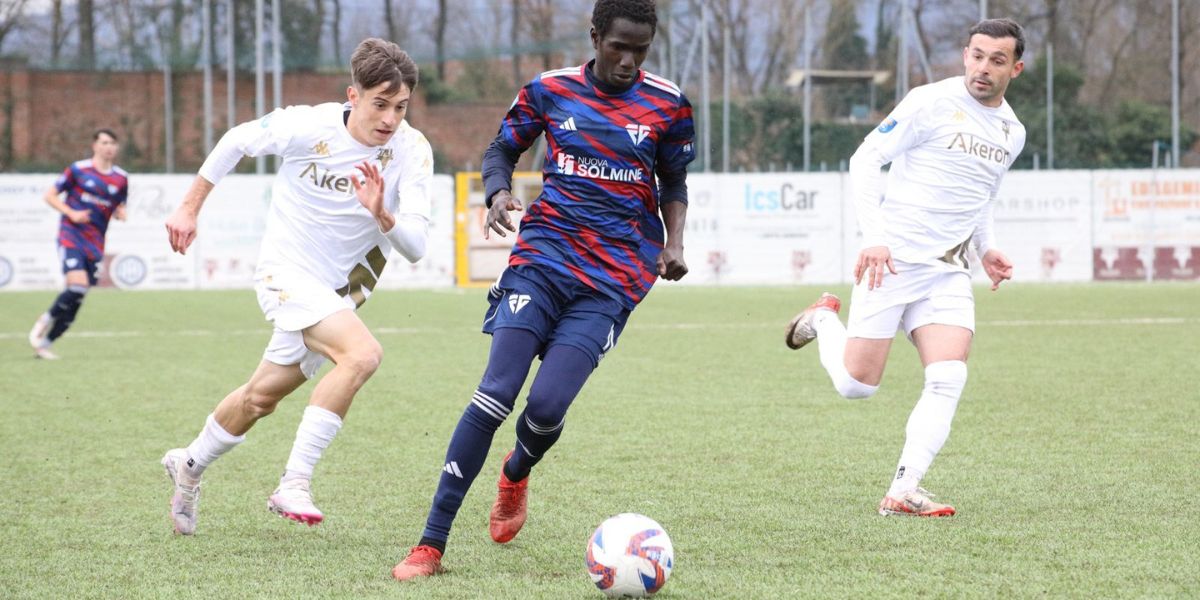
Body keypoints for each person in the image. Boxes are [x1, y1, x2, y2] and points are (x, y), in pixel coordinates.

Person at [392, 0, 694, 580]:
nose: (628, 61)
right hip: (542, 260)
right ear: (595, 36)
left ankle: (516, 472)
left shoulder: (669, 103)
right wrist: (498, 191)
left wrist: (674, 242)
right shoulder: (550, 90)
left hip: (612, 281)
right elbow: (502, 148)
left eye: (640, 51)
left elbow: (674, 180)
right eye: (618, 47)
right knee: (494, 393)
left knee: (548, 406)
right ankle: (430, 544)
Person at [159, 38, 433, 535]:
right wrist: (188, 206)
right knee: (362, 356)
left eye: (401, 106)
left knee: (259, 399)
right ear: (353, 95)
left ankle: (189, 464)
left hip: (337, 296)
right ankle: (294, 483)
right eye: (380, 104)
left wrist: (383, 214)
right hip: (284, 274)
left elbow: (415, 246)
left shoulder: (411, 150)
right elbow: (236, 140)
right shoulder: (307, 125)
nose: (391, 118)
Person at [786, 18, 1026, 517]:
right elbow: (864, 160)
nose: (983, 68)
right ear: (965, 56)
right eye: (977, 55)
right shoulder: (930, 101)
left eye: (997, 60)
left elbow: (984, 196)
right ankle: (823, 319)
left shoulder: (1012, 131)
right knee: (857, 386)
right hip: (892, 262)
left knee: (948, 376)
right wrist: (874, 238)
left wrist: (987, 249)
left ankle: (904, 489)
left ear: (1015, 69)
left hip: (948, 271)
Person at [28, 129, 128, 360]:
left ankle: (44, 345)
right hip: (71, 235)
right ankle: (44, 319)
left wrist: (120, 212)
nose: (109, 147)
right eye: (104, 142)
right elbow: (50, 196)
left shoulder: (121, 178)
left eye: (113, 143)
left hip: (95, 243)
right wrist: (71, 213)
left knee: (77, 300)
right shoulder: (78, 170)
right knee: (77, 286)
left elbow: (117, 205)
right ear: (95, 146)